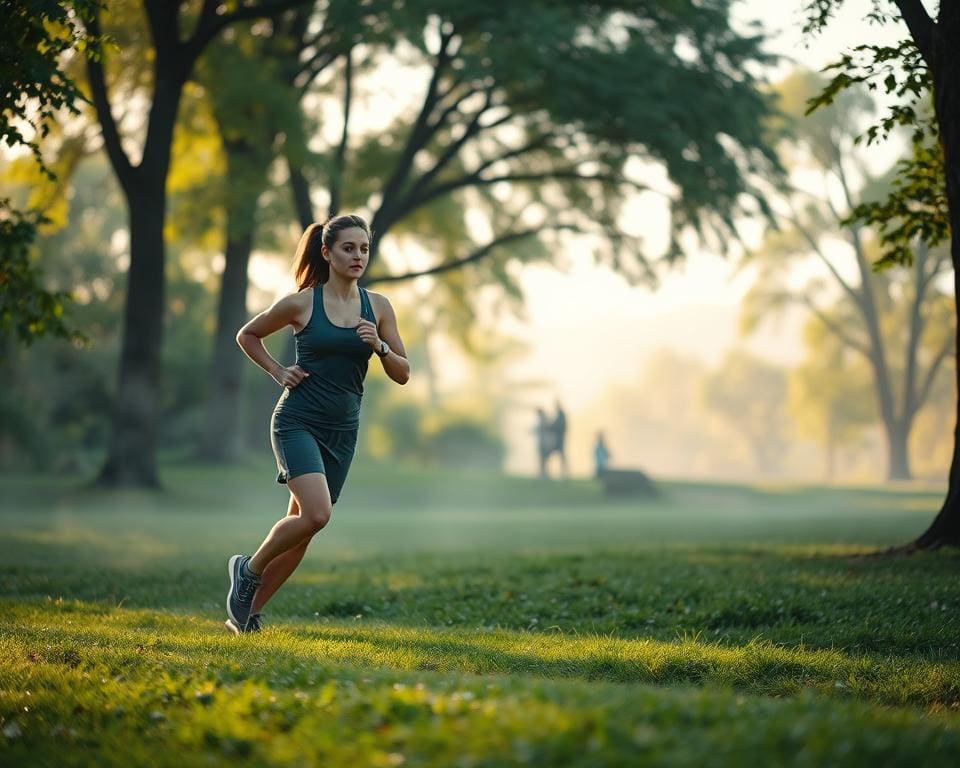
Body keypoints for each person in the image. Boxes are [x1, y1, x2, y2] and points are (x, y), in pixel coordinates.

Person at [225, 214, 410, 634]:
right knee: (317, 515)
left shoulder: (378, 307)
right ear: (326, 252)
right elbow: (248, 334)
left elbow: (403, 372)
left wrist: (380, 346)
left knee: (303, 529)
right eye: (349, 248)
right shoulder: (302, 303)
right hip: (298, 421)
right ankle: (247, 570)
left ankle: (246, 615)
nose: (358, 256)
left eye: (364, 248)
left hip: (342, 431)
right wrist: (278, 370)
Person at [552, 401, 568, 478]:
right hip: (558, 439)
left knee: (562, 456)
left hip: (560, 439)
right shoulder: (559, 415)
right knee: (561, 456)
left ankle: (564, 473)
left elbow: (560, 426)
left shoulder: (561, 415)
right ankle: (563, 473)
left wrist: (552, 427)